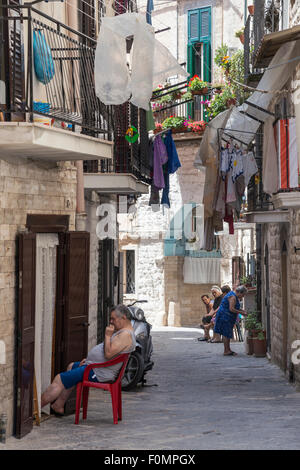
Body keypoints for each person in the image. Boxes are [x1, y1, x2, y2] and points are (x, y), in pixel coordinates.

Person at [41, 304, 136, 416]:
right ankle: (59, 405)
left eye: (113, 319)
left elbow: (108, 354)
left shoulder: (125, 335)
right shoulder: (124, 332)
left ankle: (35, 409)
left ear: (123, 318)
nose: (111, 322)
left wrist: (107, 335)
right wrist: (89, 361)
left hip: (99, 372)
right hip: (96, 368)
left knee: (59, 379)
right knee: (71, 366)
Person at [213, 285, 248, 356]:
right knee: (226, 333)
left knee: (228, 332)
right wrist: (241, 312)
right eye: (243, 295)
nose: (243, 297)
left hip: (226, 316)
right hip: (225, 316)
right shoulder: (233, 297)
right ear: (239, 293)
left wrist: (242, 311)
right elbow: (231, 309)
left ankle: (228, 349)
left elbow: (235, 307)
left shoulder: (233, 294)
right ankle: (226, 350)